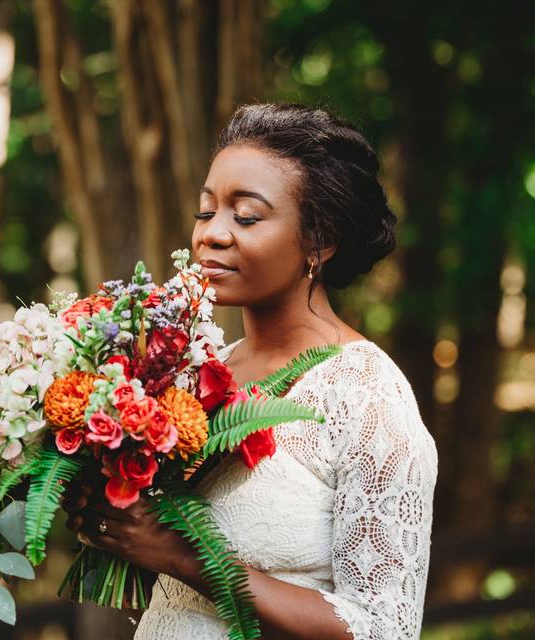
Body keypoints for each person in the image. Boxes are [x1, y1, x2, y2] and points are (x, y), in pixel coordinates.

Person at [64, 102, 438, 639]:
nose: (212, 234)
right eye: (205, 211)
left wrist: (182, 554)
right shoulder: (192, 373)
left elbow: (383, 629)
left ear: (319, 241)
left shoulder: (366, 396)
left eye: (246, 216)